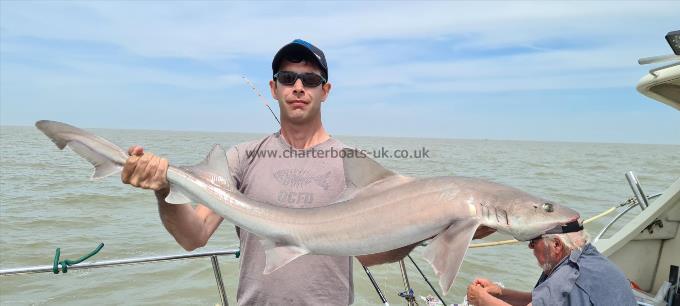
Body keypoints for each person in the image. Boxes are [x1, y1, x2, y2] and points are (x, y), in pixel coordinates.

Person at [121, 39, 494, 305]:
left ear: (325, 90)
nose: (298, 87)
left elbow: (369, 255)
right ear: (273, 87)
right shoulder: (243, 158)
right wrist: (162, 191)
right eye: (288, 78)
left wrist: (432, 230)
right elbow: (194, 236)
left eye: (311, 80)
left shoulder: (355, 164)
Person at [466, 229, 637, 306]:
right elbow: (543, 300)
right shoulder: (586, 256)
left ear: (556, 245)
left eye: (534, 242)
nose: (530, 248)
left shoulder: (570, 275)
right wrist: (499, 293)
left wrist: (481, 299)